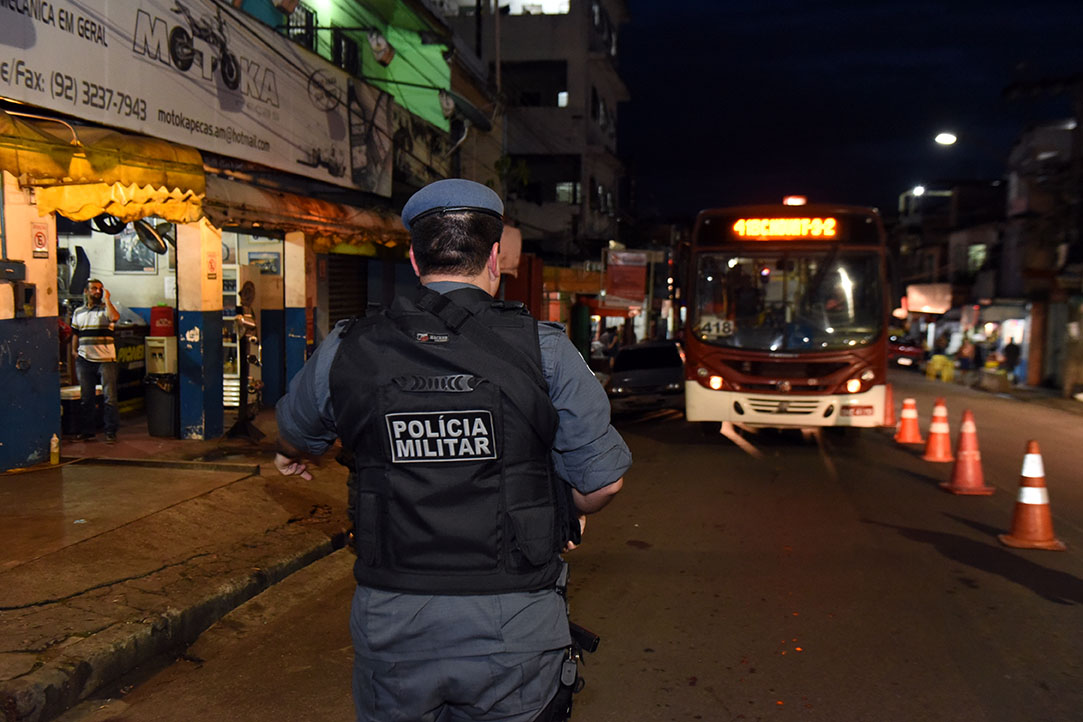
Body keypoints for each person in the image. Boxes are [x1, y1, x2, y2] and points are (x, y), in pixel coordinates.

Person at [274, 178, 631, 722]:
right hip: (514, 621)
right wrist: (567, 511)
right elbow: (602, 483)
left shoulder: (348, 345)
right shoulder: (548, 351)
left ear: (414, 262)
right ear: (494, 258)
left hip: (394, 620)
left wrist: (294, 452)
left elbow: (297, 431)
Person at [70, 279, 120, 443]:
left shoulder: (106, 310)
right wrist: (74, 351)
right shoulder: (78, 312)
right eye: (93, 289)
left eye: (100, 289)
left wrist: (107, 299)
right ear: (86, 291)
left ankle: (110, 431)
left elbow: (115, 317)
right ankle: (87, 430)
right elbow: (76, 333)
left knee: (109, 396)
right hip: (84, 359)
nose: (97, 291)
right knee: (86, 397)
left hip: (106, 359)